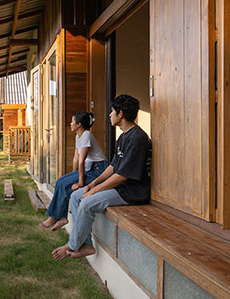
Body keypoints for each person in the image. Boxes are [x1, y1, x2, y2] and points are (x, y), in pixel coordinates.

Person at [53, 94, 150, 260]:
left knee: (87, 202)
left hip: (132, 192)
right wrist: (93, 184)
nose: (109, 115)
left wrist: (94, 191)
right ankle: (87, 244)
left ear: (121, 114)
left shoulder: (138, 138)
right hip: (120, 188)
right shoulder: (123, 137)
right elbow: (113, 167)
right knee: (76, 196)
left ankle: (72, 245)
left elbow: (122, 176)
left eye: (112, 111)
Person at [39, 111, 108, 231]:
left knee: (66, 185)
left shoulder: (87, 135)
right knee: (61, 181)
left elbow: (81, 160)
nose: (70, 124)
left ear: (79, 124)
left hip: (98, 170)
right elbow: (75, 158)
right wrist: (73, 175)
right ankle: (61, 217)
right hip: (88, 169)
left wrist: (80, 182)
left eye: (72, 121)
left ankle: (56, 217)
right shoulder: (78, 136)